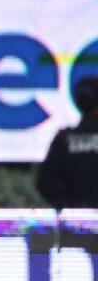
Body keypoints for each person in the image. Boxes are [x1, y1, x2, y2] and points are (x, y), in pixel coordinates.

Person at [36, 76, 98, 209]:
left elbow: (45, 184)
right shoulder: (63, 140)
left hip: (73, 224)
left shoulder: (64, 140)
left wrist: (66, 205)